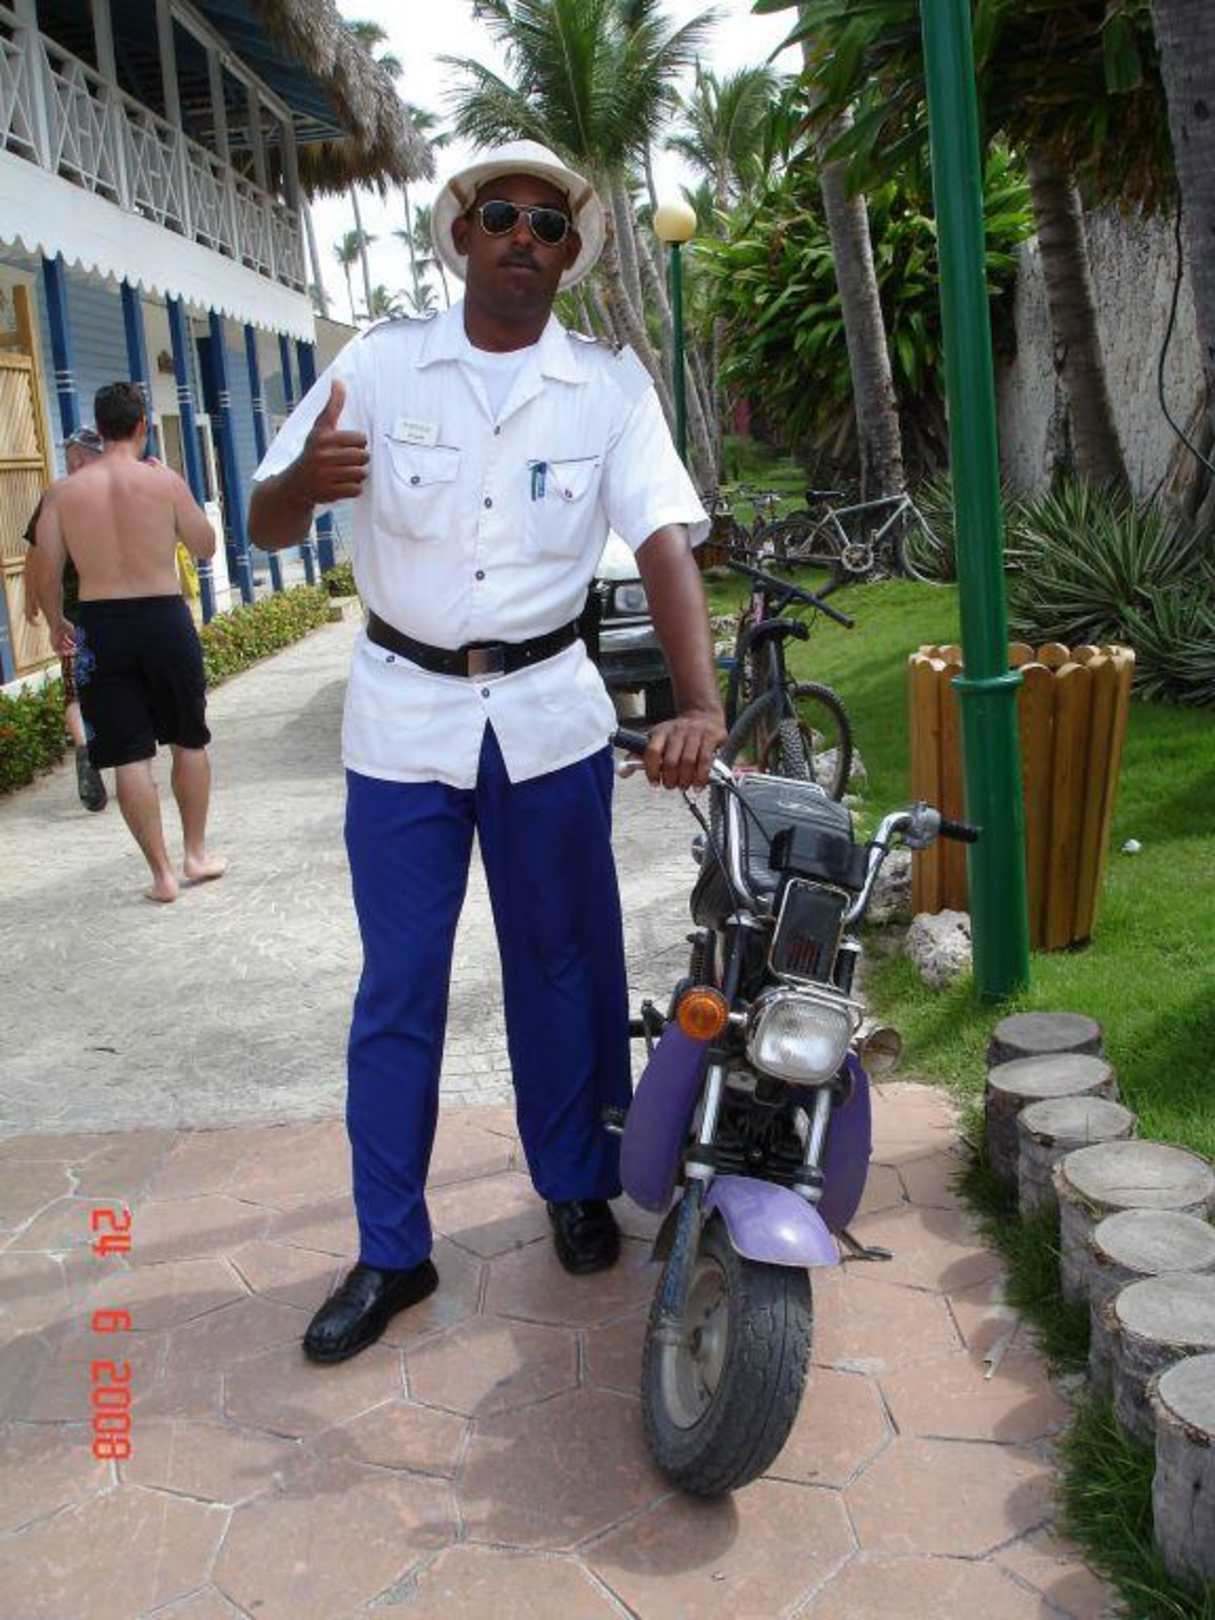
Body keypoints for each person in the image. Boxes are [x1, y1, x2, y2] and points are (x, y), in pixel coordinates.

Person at [249, 140, 727, 1366]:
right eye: (503, 215)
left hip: (547, 717)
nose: (525, 236)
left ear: (571, 257)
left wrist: (700, 702)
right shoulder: (380, 364)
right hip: (401, 721)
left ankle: (575, 1184)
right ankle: (390, 1249)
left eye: (550, 224)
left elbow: (664, 540)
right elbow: (264, 515)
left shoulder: (606, 388)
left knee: (564, 967)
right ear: (461, 234)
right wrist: (304, 483)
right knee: (399, 989)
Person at [29, 382, 226, 904]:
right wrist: (173, 492)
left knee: (127, 755)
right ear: (142, 426)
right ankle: (195, 854)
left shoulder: (63, 493)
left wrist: (55, 621)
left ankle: (162, 875)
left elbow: (47, 570)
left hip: (101, 623)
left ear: (100, 427)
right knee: (189, 739)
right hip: (164, 618)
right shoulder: (163, 482)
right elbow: (205, 545)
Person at [23, 426, 107, 812]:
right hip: (117, 611)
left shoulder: (55, 497)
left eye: (70, 454)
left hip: (73, 614)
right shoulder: (119, 491)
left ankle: (85, 750)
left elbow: (36, 555)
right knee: (120, 686)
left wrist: (33, 599)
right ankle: (129, 762)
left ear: (77, 457)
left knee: (75, 692)